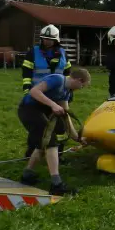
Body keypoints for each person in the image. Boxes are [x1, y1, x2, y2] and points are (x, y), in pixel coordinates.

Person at [17, 68, 91, 195]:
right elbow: (34, 91)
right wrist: (53, 105)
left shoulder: (66, 93)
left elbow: (66, 116)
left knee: (43, 142)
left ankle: (27, 175)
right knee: (51, 142)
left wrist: (77, 138)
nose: (81, 89)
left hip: (40, 112)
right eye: (82, 86)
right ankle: (56, 184)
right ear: (79, 80)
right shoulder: (57, 79)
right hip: (28, 110)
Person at [21, 24, 73, 160]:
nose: (47, 41)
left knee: (60, 126)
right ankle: (31, 153)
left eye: (50, 39)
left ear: (56, 40)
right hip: (38, 96)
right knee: (39, 126)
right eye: (45, 38)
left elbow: (68, 73)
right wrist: (27, 90)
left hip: (57, 96)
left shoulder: (63, 53)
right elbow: (26, 73)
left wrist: (68, 92)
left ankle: (58, 153)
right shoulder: (33, 52)